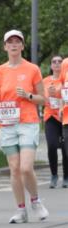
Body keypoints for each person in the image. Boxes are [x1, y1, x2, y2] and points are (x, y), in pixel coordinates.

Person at [0, 30, 48, 223]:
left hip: (28, 121)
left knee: (25, 167)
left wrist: (28, 95)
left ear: (22, 46)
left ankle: (35, 200)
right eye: (10, 42)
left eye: (17, 42)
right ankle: (21, 210)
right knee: (14, 168)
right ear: (5, 46)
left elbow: (43, 99)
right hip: (7, 124)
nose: (14, 45)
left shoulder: (32, 69)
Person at [42, 55, 67, 189]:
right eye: (54, 62)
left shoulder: (66, 80)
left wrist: (58, 94)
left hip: (64, 118)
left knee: (65, 148)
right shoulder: (45, 81)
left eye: (60, 62)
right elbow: (41, 98)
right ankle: (54, 175)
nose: (57, 64)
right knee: (52, 145)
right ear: (51, 65)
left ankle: (66, 177)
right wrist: (49, 95)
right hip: (50, 117)